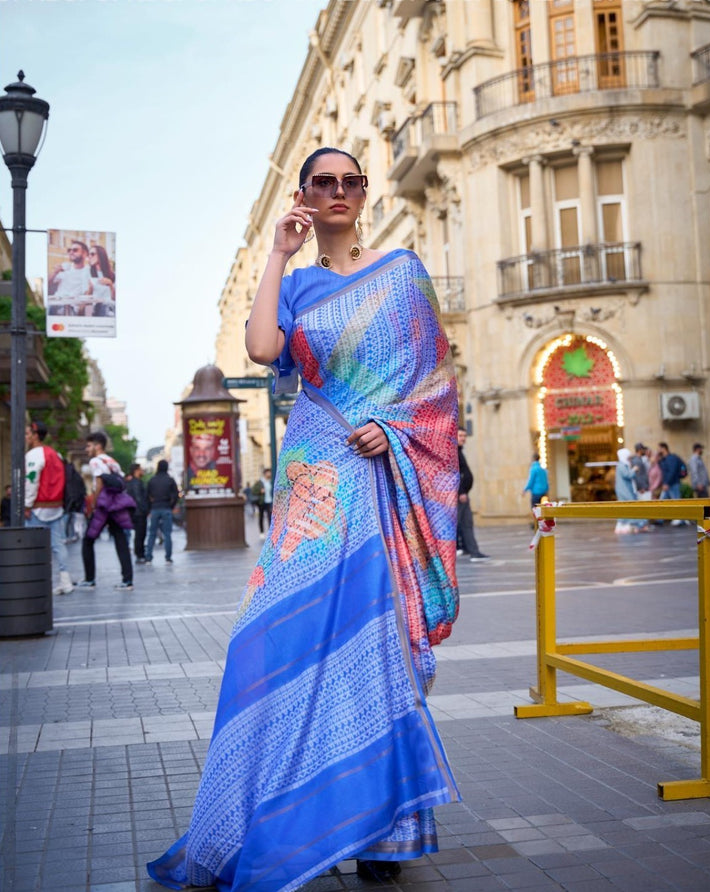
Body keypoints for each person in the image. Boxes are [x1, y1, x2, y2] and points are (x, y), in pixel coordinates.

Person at [148, 147, 460, 891]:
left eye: (353, 182)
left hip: (382, 473)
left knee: (375, 642)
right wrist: (277, 255)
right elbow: (260, 349)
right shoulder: (295, 284)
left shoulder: (403, 273)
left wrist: (392, 426)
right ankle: (276, 812)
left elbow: (435, 388)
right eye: (326, 182)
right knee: (273, 637)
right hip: (312, 476)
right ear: (305, 195)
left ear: (364, 193)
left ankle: (381, 836)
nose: (341, 191)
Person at [79, 431, 135, 591]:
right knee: (120, 541)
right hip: (116, 506)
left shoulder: (95, 461)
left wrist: (94, 504)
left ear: (98, 446)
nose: (86, 449)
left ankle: (90, 579)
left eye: (89, 445)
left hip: (104, 506)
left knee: (88, 540)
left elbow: (99, 482)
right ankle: (127, 580)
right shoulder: (112, 461)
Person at [24, 420, 74, 595]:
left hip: (38, 506)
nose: (26, 437)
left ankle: (35, 581)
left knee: (32, 545)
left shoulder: (33, 455)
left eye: (27, 433)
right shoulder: (56, 454)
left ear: (35, 435)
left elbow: (31, 480)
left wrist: (27, 504)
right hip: (56, 506)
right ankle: (65, 580)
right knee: (58, 545)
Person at [456, 426, 490, 562]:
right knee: (456, 524)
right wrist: (461, 492)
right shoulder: (452, 452)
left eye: (464, 436)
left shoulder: (459, 452)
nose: (463, 439)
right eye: (460, 436)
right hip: (459, 496)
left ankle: (473, 551)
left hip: (463, 496)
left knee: (466, 524)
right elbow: (453, 474)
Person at [144, 460, 179, 564]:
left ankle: (148, 557)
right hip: (166, 507)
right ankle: (168, 557)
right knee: (167, 534)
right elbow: (176, 495)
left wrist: (150, 507)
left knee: (152, 534)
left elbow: (146, 496)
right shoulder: (170, 480)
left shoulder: (152, 480)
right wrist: (171, 506)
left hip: (155, 508)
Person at [47, 240, 91, 316]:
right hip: (57, 304)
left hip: (73, 308)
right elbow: (47, 283)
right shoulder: (65, 267)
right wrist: (55, 272)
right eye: (69, 250)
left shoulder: (88, 271)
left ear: (85, 254)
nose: (71, 252)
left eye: (75, 250)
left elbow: (88, 292)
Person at [614, 447, 648, 534]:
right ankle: (638, 524)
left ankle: (627, 524)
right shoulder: (621, 466)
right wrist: (634, 470)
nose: (629, 459)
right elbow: (628, 475)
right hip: (624, 490)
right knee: (631, 506)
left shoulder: (624, 465)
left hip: (626, 489)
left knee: (626, 508)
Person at [126, 463, 149, 563]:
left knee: (139, 534)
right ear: (136, 470)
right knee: (140, 534)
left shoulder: (132, 482)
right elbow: (139, 498)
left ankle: (140, 553)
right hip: (139, 512)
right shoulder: (136, 483)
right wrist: (145, 509)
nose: (142, 471)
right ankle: (140, 554)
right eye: (140, 469)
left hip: (135, 512)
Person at [86, 244, 116, 316]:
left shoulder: (113, 274)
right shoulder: (87, 272)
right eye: (88, 254)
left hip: (110, 308)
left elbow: (114, 299)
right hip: (96, 308)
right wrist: (90, 288)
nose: (89, 256)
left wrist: (111, 285)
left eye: (92, 254)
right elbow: (86, 301)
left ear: (101, 255)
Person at [251, 467, 273, 536]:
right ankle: (261, 532)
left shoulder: (270, 482)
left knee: (270, 517)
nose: (269, 474)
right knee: (261, 517)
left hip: (269, 501)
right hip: (261, 502)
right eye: (268, 472)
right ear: (265, 474)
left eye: (270, 472)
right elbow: (253, 490)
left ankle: (270, 532)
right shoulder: (260, 482)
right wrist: (260, 491)